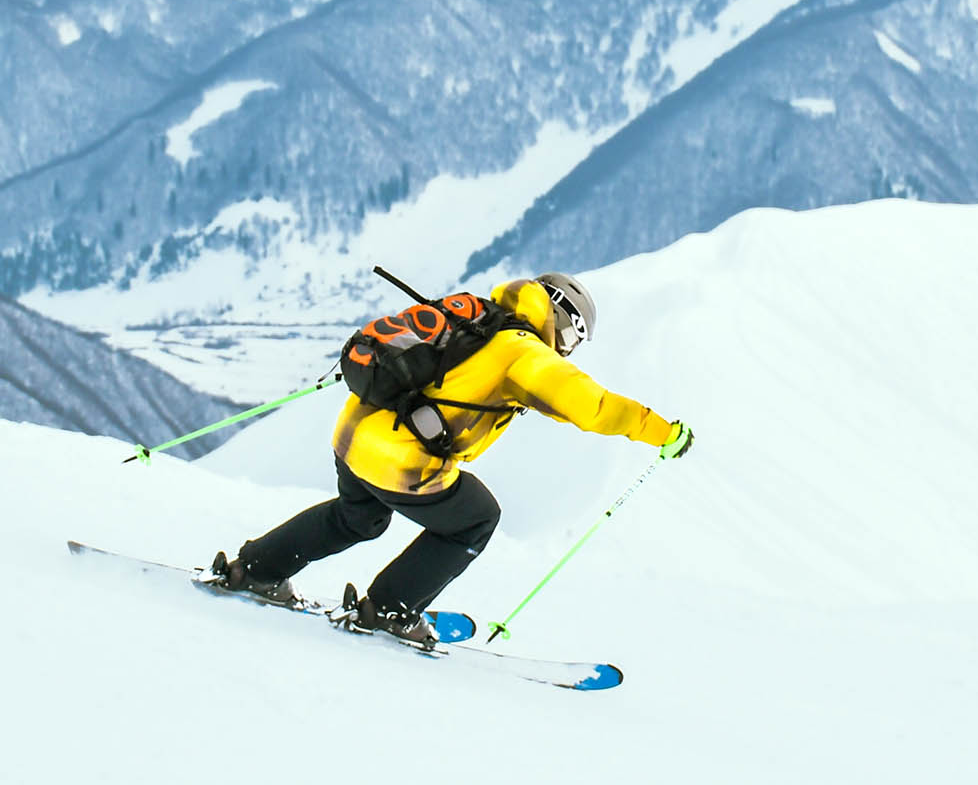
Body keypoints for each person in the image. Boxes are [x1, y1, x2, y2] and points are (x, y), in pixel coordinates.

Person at [210, 271, 693, 642]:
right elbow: (594, 408)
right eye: (571, 341)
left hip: (353, 432)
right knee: (476, 518)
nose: (566, 352)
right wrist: (663, 432)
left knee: (356, 518)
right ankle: (389, 609)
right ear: (562, 322)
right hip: (401, 458)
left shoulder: (478, 317)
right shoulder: (523, 350)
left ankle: (256, 570)